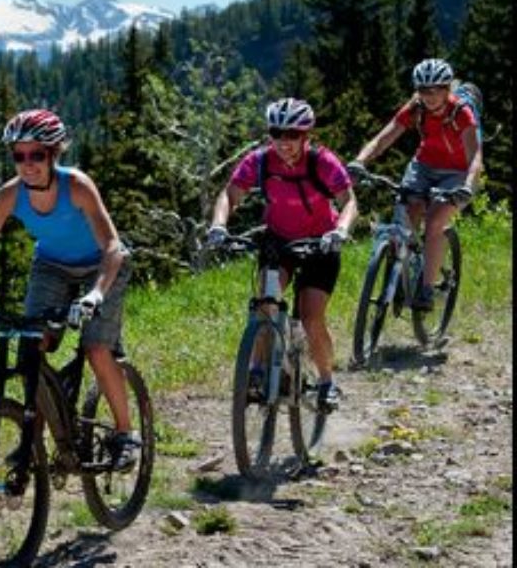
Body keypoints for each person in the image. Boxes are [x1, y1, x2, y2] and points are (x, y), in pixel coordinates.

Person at [0, 109, 137, 470]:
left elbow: (112, 247)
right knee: (31, 349)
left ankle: (126, 434)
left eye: (37, 155)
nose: (27, 164)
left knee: (97, 350)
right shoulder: (10, 195)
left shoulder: (77, 186)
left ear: (54, 154)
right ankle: (35, 438)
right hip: (51, 266)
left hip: (102, 265)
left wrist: (94, 295)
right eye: (19, 155)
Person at [205, 98, 357, 412]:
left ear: (307, 136)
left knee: (312, 315)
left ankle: (327, 382)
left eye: (293, 135)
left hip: (320, 245)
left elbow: (349, 201)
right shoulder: (260, 162)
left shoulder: (323, 162)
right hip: (279, 242)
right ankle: (258, 372)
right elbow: (230, 194)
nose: (284, 142)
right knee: (266, 301)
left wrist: (340, 230)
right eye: (277, 133)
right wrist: (219, 225)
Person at [347, 58, 483, 310]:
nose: (428, 96)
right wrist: (359, 161)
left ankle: (427, 289)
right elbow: (383, 138)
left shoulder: (461, 112)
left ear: (447, 88)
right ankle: (406, 263)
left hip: (458, 173)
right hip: (423, 165)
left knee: (434, 222)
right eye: (422, 90)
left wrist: (466, 186)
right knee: (409, 210)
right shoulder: (416, 108)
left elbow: (475, 155)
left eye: (435, 90)